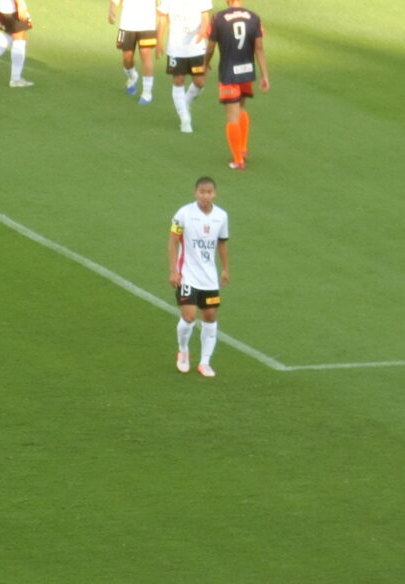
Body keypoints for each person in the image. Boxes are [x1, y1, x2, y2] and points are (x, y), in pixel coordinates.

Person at [168, 176, 229, 378]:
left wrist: (225, 269)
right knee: (189, 317)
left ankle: (205, 362)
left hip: (209, 279)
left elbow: (222, 243)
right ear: (196, 193)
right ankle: (183, 351)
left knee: (210, 317)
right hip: (187, 276)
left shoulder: (221, 216)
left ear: (215, 194)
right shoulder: (184, 213)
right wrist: (173, 271)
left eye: (209, 192)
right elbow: (173, 241)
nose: (205, 196)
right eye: (202, 192)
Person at [205, 0, 269, 170]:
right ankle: (243, 148)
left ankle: (238, 160)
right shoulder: (254, 17)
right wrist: (264, 75)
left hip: (229, 73)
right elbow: (259, 48)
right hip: (247, 71)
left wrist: (205, 64)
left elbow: (210, 47)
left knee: (232, 116)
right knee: (241, 108)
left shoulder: (218, 18)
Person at [156, 0, 211, 133]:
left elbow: (205, 15)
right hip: (176, 47)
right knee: (178, 80)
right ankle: (185, 119)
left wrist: (203, 29)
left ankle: (185, 102)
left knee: (200, 82)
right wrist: (159, 41)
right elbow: (162, 18)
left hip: (196, 47)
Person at [109, 0, 159, 104]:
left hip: (148, 25)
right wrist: (112, 9)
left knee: (146, 56)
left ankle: (147, 93)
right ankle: (132, 76)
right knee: (127, 57)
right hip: (126, 24)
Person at [0, 0, 33, 87]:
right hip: (11, 7)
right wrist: (20, 3)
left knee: (10, 35)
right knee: (19, 39)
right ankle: (15, 79)